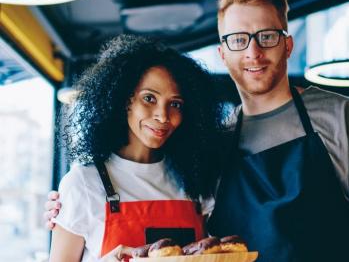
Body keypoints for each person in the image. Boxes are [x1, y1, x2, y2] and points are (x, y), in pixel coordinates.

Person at [46, 0, 349, 262]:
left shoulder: (340, 118)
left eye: (266, 36)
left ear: (288, 44)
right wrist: (70, 206)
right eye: (238, 39)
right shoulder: (216, 142)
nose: (253, 51)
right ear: (222, 53)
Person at [48, 35, 223, 262]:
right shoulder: (83, 184)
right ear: (124, 100)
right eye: (149, 98)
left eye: (175, 104)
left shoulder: (197, 179)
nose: (162, 116)